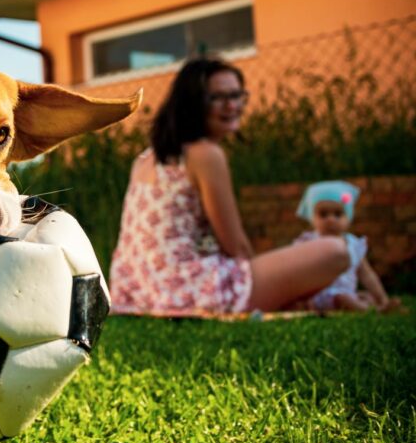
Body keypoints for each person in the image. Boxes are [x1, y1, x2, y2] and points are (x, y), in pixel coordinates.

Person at [108, 57, 350, 314]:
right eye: (217, 98)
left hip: (136, 292)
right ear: (193, 104)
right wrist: (262, 283)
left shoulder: (146, 157)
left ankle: (310, 300)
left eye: (237, 95)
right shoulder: (205, 154)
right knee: (335, 251)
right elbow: (235, 246)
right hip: (187, 289)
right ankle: (312, 299)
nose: (232, 105)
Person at [294, 181, 400, 312]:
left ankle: (380, 304)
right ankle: (375, 311)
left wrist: (382, 297)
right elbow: (298, 273)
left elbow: (367, 275)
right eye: (323, 214)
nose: (331, 219)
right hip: (322, 296)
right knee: (343, 298)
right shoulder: (309, 242)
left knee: (365, 296)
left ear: (348, 217)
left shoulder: (353, 244)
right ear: (312, 217)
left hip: (347, 293)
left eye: (338, 214)